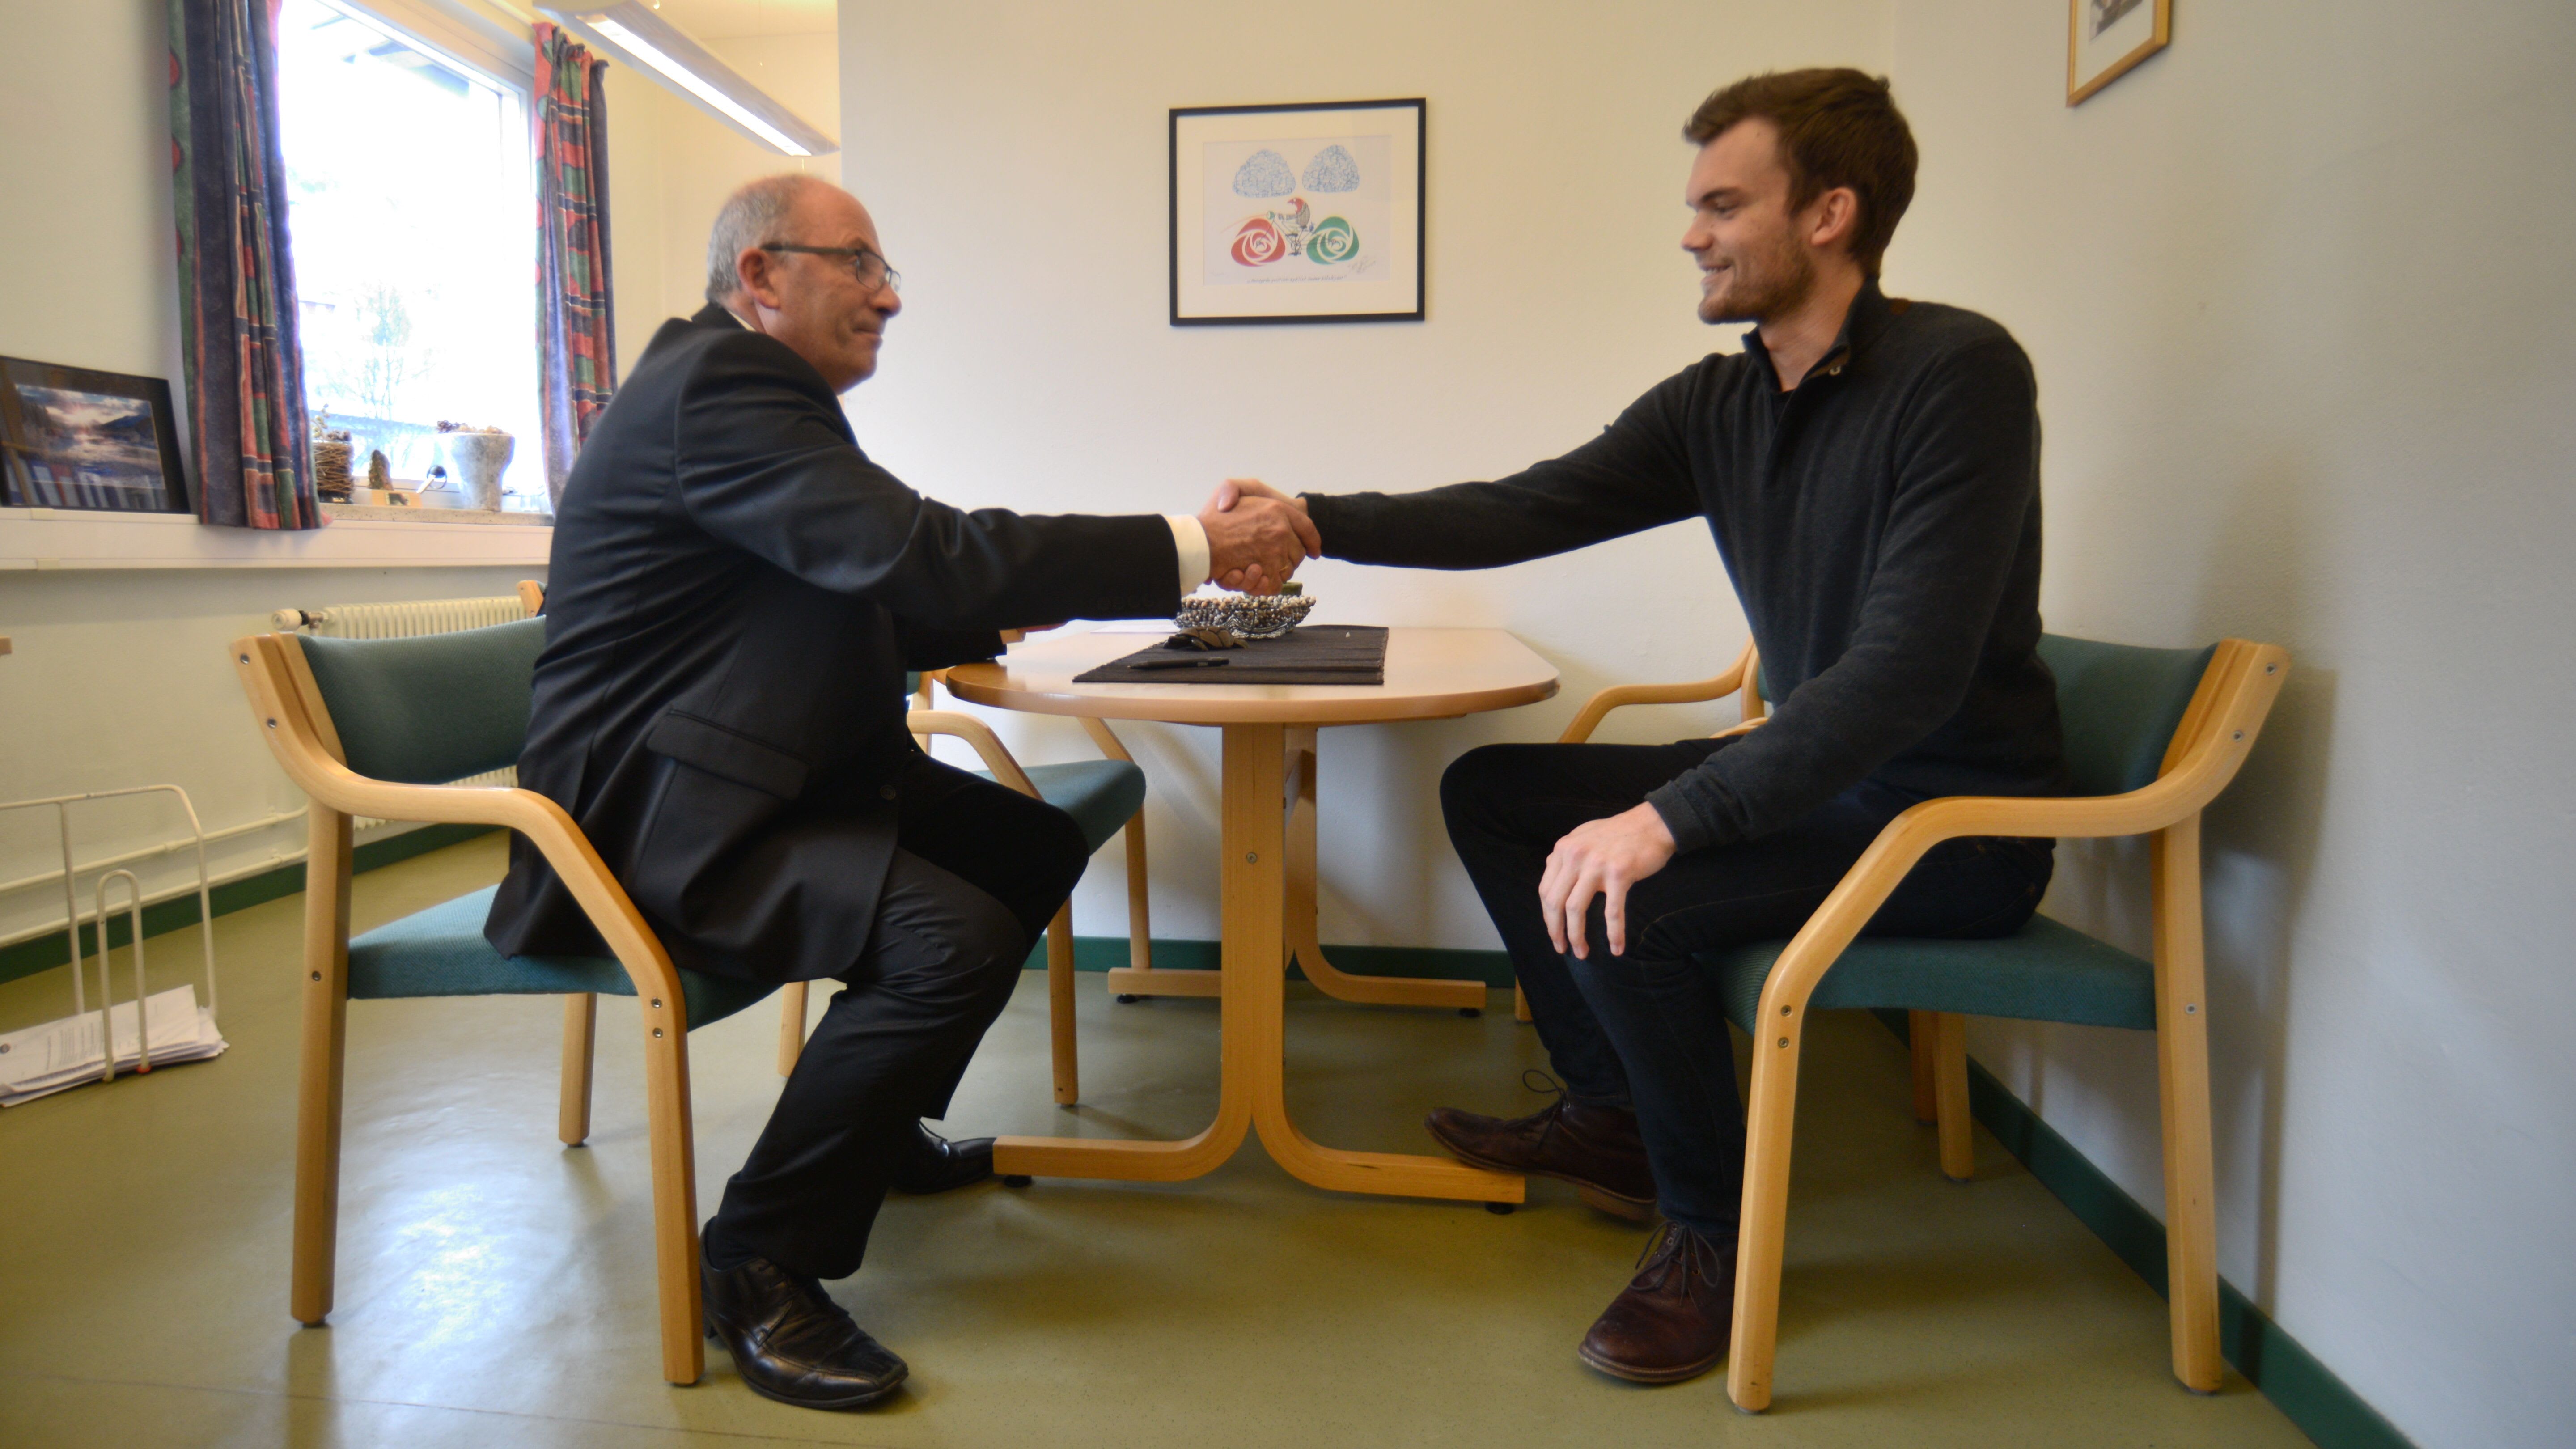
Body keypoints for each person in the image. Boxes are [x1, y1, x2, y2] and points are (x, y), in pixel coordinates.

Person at [1214, 69, 2068, 1385]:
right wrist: (1315, 519)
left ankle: (1711, 1237)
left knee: (1638, 899)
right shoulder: (1719, 405)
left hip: (1951, 824)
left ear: (1830, 212)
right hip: (1823, 788)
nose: (1691, 234)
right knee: (1497, 792)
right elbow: (1523, 509)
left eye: (1723, 205)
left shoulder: (1959, 376)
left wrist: (1672, 817)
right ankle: (1612, 1115)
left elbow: (1907, 672)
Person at [485, 174, 1319, 1411]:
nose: (888, 296)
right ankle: (758, 1258)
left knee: (1030, 848)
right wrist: (1190, 548)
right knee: (950, 941)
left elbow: (863, 583)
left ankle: (873, 1136)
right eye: (860, 264)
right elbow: (915, 554)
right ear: (761, 274)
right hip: (655, 816)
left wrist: (1007, 595)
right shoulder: (720, 385)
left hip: (755, 776)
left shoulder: (750, 393)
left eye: (885, 270)